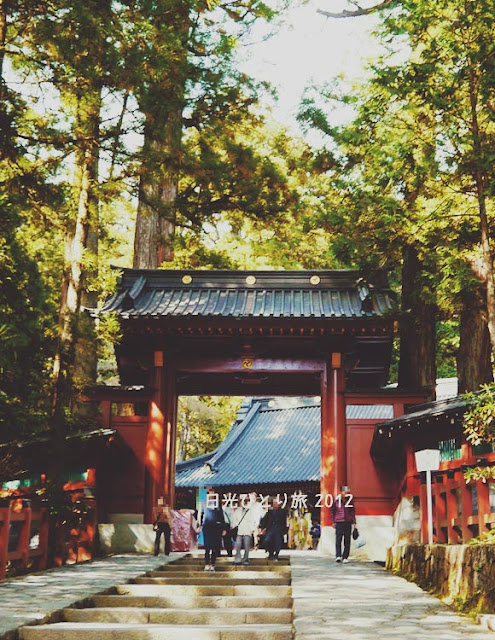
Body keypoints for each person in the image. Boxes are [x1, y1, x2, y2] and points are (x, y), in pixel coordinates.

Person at [201, 487, 226, 572]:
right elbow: (201, 515)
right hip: (207, 527)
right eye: (209, 492)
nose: (211, 493)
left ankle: (213, 564)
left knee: (215, 547)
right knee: (207, 547)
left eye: (212, 492)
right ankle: (207, 564)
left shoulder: (218, 504)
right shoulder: (204, 503)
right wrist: (198, 525)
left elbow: (221, 517)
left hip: (216, 527)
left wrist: (223, 528)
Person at [331, 484, 356, 564]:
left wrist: (354, 522)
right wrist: (333, 521)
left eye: (347, 492)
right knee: (338, 539)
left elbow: (352, 512)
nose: (346, 493)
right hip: (339, 522)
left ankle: (345, 556)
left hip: (348, 522)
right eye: (345, 492)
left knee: (347, 540)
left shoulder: (350, 501)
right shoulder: (336, 501)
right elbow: (332, 512)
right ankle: (338, 556)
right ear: (341, 492)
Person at [233, 491, 260, 565]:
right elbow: (234, 520)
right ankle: (238, 559)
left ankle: (246, 559)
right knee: (238, 545)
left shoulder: (249, 510)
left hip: (247, 530)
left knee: (246, 546)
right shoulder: (237, 510)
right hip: (239, 530)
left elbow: (252, 520)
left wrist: (252, 529)